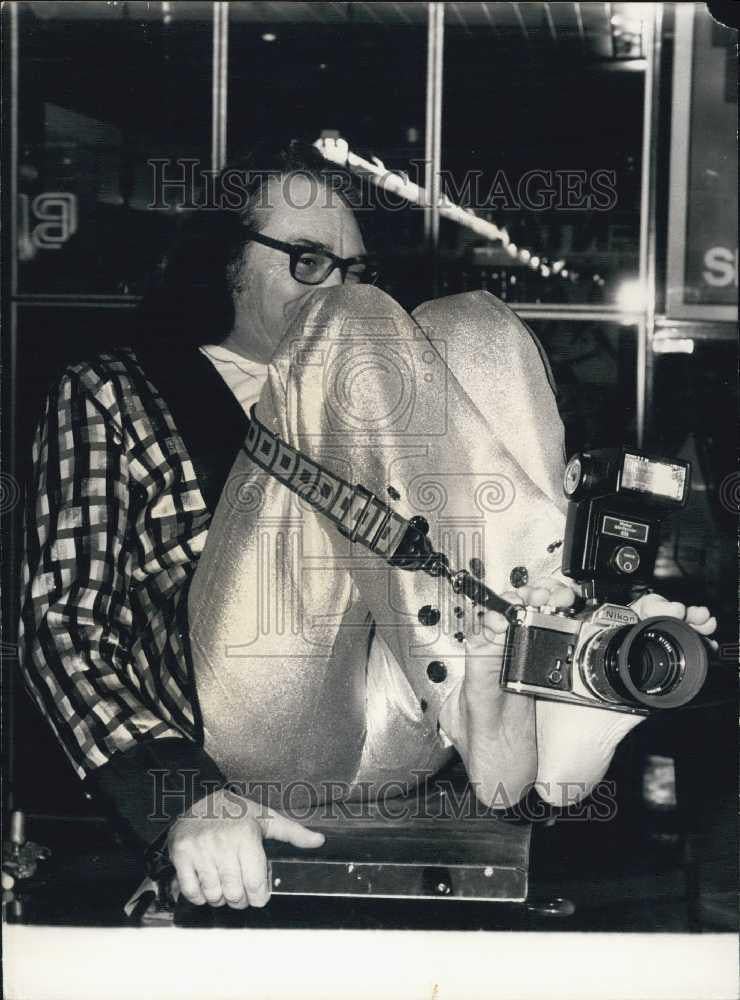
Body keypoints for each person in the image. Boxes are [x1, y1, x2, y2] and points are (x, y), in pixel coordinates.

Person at [18, 139, 717, 912]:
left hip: (407, 726)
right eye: (308, 262)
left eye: (353, 269)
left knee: (471, 325)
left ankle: (547, 653)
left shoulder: (386, 388)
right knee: (348, 327)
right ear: (222, 261)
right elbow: (62, 620)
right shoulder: (112, 391)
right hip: (249, 733)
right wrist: (173, 795)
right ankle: (531, 703)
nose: (334, 286)